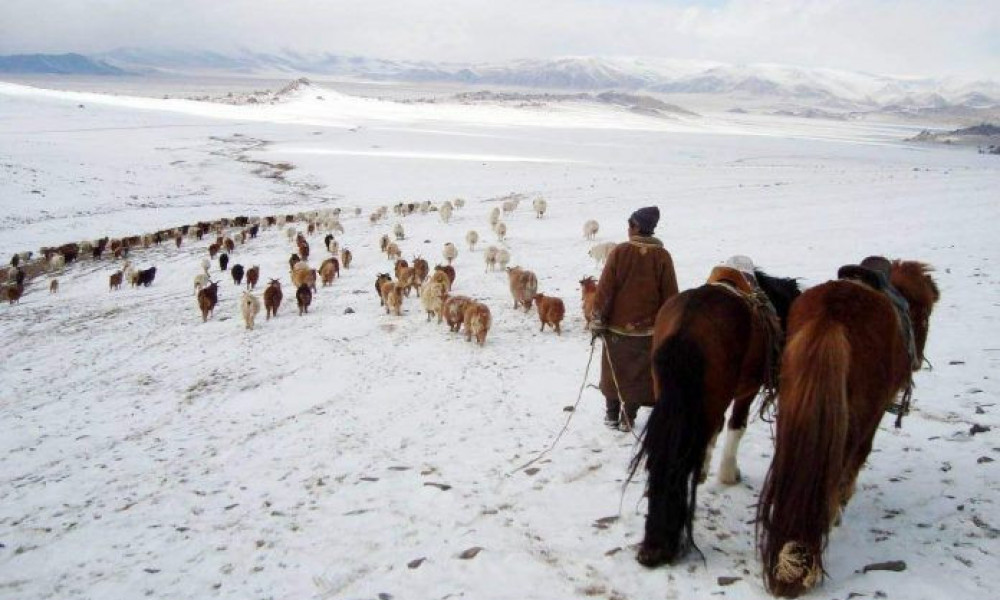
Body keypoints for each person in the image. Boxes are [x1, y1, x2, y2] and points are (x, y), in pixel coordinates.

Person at [591, 206, 679, 431]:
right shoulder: (662, 257)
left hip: (616, 329)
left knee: (613, 371)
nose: (628, 229)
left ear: (637, 226)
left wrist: (598, 318)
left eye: (630, 224)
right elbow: (671, 296)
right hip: (648, 332)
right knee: (638, 376)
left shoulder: (620, 252)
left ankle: (611, 414)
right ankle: (627, 417)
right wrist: (669, 327)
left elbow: (605, 289)